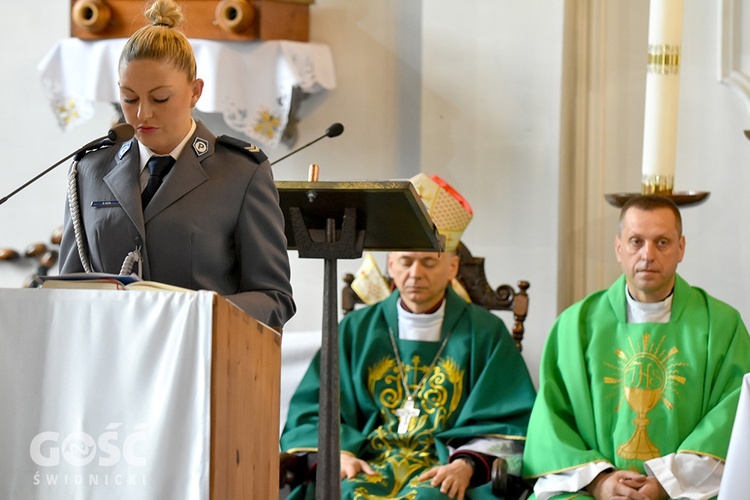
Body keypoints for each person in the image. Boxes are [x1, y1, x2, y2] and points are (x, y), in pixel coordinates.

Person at [280, 174, 536, 499]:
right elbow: (314, 409)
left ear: (453, 267)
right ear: (391, 265)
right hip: (368, 463)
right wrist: (338, 454)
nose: (416, 274)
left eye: (429, 262)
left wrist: (466, 465)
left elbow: (509, 419)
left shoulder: (485, 333)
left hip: (441, 469)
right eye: (406, 262)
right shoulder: (357, 330)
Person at [58, 0, 295, 328]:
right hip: (110, 362)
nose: (142, 114)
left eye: (160, 99)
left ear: (195, 92)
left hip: (198, 359)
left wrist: (198, 315)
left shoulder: (240, 173)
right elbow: (66, 292)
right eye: (129, 98)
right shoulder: (90, 170)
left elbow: (273, 298)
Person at [523, 195, 750, 499]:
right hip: (593, 491)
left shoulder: (721, 326)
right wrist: (600, 482)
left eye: (662, 243)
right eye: (635, 241)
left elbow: (730, 427)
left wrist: (667, 484)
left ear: (681, 248)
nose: (647, 255)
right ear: (619, 248)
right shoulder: (574, 326)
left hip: (686, 491)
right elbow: (552, 428)